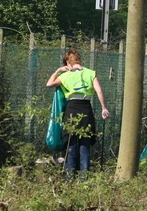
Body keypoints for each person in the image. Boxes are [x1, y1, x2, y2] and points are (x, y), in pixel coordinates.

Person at [46, 49, 110, 179]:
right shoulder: (90, 73)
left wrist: (58, 70)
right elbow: (99, 90)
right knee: (85, 144)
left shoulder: (65, 75)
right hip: (86, 109)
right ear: (79, 60)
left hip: (71, 109)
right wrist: (104, 108)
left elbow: (49, 84)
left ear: (67, 63)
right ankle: (84, 177)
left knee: (71, 143)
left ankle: (69, 177)